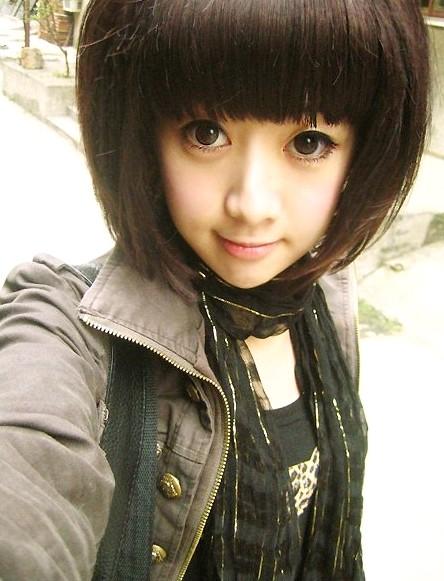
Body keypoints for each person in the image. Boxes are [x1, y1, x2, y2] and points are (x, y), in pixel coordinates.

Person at [0, 1, 429, 579]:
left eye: (308, 143)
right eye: (207, 134)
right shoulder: (72, 330)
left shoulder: (323, 294)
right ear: (146, 135)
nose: (251, 205)